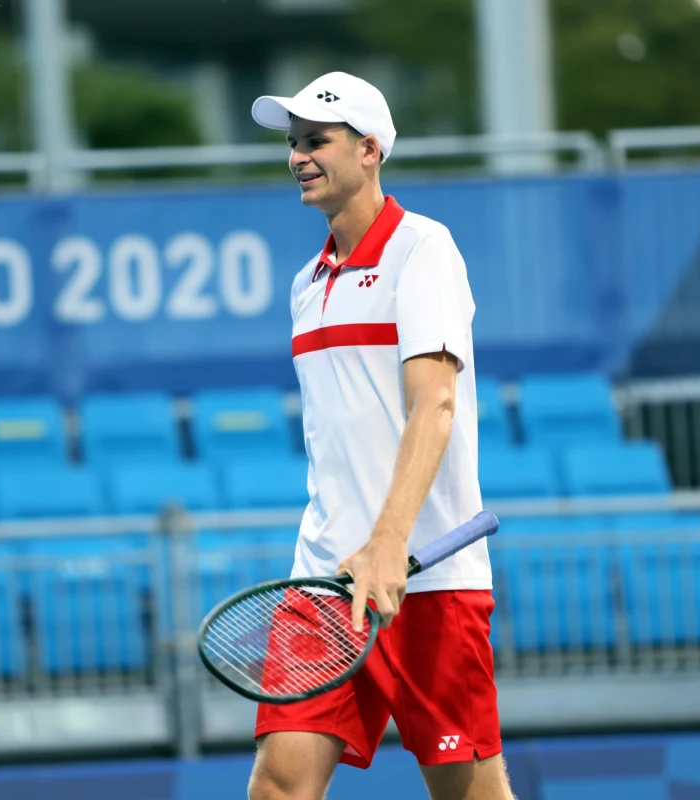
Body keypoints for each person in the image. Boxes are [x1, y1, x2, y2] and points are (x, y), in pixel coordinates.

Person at [246, 73, 516, 800]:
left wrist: (390, 542)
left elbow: (434, 405)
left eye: (317, 141)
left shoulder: (424, 250)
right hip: (324, 583)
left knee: (468, 794)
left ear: (370, 150)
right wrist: (358, 550)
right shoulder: (306, 283)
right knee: (277, 786)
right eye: (293, 143)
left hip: (429, 582)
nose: (299, 156)